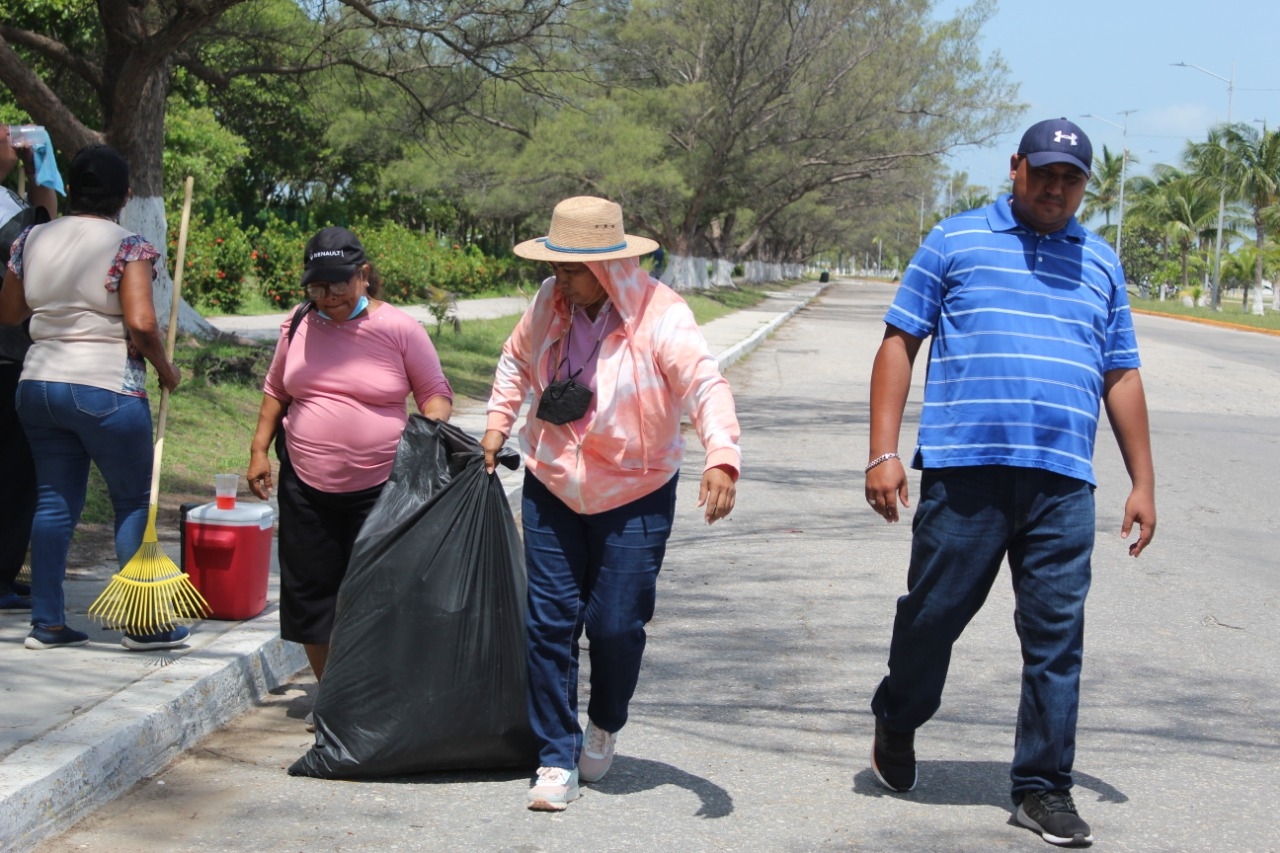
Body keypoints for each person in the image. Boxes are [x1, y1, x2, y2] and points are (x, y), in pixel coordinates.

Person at [863, 118, 1156, 848]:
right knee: (932, 617)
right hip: (967, 474)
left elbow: (1120, 372)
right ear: (1017, 168)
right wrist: (882, 451)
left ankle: (1042, 786)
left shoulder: (1101, 262)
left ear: (1087, 185)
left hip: (1063, 483)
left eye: (1073, 177)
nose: (1058, 188)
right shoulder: (955, 240)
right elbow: (900, 340)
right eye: (1046, 172)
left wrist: (1143, 479)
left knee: (1056, 638)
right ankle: (899, 714)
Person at [481, 196, 741, 811]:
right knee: (548, 622)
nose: (557, 279)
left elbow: (704, 381)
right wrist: (497, 421)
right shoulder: (552, 302)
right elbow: (517, 359)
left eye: (570, 269)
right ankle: (553, 755)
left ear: (606, 266)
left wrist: (722, 454)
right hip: (553, 481)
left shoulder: (660, 313)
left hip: (636, 490)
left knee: (617, 626)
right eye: (556, 267)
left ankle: (605, 719)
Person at [247, 226, 453, 690]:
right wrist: (259, 448)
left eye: (337, 284)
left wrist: (428, 445)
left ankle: (379, 691)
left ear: (363, 275)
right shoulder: (299, 323)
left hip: (384, 488)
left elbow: (435, 394)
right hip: (305, 483)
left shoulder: (399, 328)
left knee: (382, 593)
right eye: (316, 286)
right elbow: (276, 389)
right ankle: (334, 694)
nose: (327, 296)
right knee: (311, 595)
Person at [0, 143, 186, 650]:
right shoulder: (128, 245)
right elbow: (143, 325)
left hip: (38, 385)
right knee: (132, 502)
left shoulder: (31, 238)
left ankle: (47, 624)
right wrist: (166, 370)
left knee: (54, 502)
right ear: (125, 195)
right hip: (104, 385)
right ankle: (146, 626)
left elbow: (10, 314)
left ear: (74, 189)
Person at [0, 124, 59, 611]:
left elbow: (42, 222)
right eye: (4, 135)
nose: (13, 138)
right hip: (5, 356)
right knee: (14, 471)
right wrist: (38, 167)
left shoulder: (6, 201)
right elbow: (44, 241)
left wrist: (35, 168)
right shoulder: (2, 209)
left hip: (10, 352)